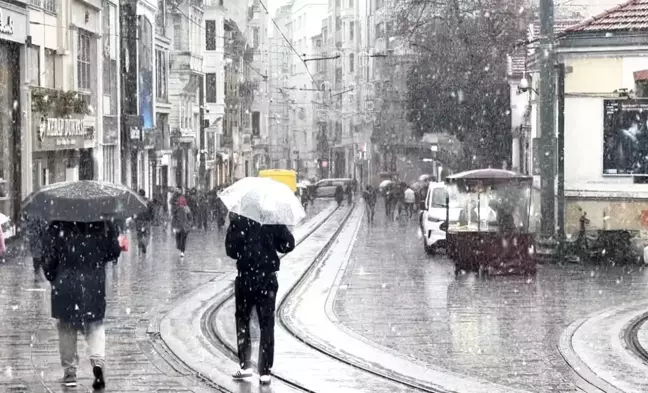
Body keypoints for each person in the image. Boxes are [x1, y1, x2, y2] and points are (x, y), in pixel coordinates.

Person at [42, 220, 121, 389]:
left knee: (66, 327)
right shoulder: (103, 223)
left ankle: (70, 371)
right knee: (95, 325)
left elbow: (48, 258)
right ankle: (98, 364)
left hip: (65, 283)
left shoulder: (57, 225)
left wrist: (52, 275)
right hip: (93, 283)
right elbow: (113, 252)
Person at [226, 213, 295, 385]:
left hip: (245, 278)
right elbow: (288, 245)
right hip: (267, 279)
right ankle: (265, 372)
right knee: (267, 324)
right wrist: (273, 239)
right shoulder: (272, 218)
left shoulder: (239, 219)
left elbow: (230, 251)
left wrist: (243, 244)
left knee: (243, 321)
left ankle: (246, 367)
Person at [135, 189, 154, 254]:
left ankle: (140, 245)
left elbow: (133, 210)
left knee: (139, 234)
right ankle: (144, 245)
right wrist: (151, 218)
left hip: (139, 220)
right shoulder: (149, 201)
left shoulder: (137, 201)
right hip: (147, 220)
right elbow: (152, 211)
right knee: (147, 234)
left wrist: (134, 218)